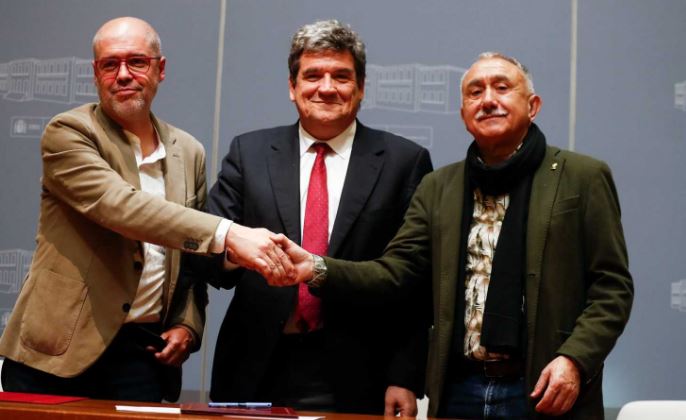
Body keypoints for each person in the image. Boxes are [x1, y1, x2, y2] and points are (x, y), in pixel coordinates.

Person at [269, 52, 634, 419]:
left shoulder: (581, 177)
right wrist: (315, 267)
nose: (488, 99)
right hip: (460, 391)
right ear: (463, 115)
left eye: (502, 88)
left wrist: (575, 359)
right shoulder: (439, 187)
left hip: (544, 389)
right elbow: (395, 273)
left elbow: (612, 289)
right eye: (475, 92)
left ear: (533, 106)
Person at [0, 16, 291, 402]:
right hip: (58, 350)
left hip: (144, 354)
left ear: (160, 69)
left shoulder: (189, 151)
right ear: (96, 73)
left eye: (136, 62)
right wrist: (229, 232)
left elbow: (190, 256)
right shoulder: (68, 132)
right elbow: (121, 207)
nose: (123, 75)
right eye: (110, 64)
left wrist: (188, 323)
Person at [195, 19, 433, 416]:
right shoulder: (250, 153)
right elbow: (208, 258)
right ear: (292, 87)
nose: (326, 87)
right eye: (312, 75)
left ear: (360, 87)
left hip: (361, 369)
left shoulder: (404, 162)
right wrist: (241, 250)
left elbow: (414, 285)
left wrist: (405, 375)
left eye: (341, 76)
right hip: (255, 363)